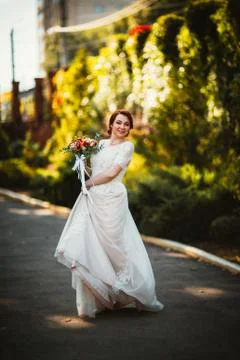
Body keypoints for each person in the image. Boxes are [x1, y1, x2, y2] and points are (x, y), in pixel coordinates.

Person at [54, 109, 164, 318]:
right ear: (111, 124)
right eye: (119, 122)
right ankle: (98, 296)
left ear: (130, 129)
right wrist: (81, 159)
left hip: (112, 198)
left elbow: (112, 172)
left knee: (114, 246)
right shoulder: (99, 145)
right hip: (92, 198)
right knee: (88, 242)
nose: (122, 127)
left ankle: (130, 289)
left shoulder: (127, 147)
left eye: (126, 124)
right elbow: (92, 171)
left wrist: (90, 183)